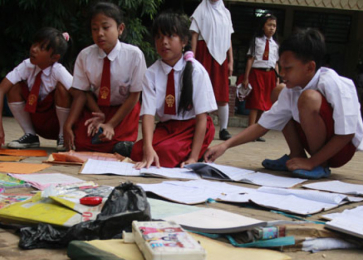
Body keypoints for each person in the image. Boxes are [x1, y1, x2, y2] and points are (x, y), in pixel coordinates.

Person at [204, 28, 363, 180]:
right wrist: (225, 146)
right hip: (319, 145)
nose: (282, 73)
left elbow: (346, 134)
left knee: (308, 98)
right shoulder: (292, 90)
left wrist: (312, 161)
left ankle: (320, 165)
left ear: (310, 67)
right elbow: (262, 126)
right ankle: (297, 155)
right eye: (281, 67)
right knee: (279, 90)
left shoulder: (334, 83)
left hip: (340, 151)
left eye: (288, 68)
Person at [131, 12, 217, 168]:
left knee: (166, 152)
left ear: (184, 41)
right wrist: (147, 148)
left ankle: (198, 153)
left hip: (192, 127)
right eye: (159, 37)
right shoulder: (151, 74)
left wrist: (193, 157)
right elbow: (148, 115)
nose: (164, 42)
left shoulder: (196, 71)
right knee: (139, 150)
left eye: (170, 36)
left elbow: (202, 118)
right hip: (167, 128)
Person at [62, 2, 146, 155]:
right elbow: (83, 92)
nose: (100, 33)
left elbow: (135, 95)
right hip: (96, 107)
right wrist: (97, 114)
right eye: (95, 29)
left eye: (106, 28)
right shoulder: (85, 56)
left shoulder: (134, 55)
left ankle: (124, 144)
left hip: (123, 109)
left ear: (120, 29)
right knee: (82, 142)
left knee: (113, 141)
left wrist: (111, 124)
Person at [0, 28, 72, 150]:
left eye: (42, 48)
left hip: (57, 123)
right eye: (34, 44)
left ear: (54, 58)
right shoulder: (27, 65)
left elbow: (79, 94)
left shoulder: (58, 70)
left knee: (62, 89)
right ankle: (30, 135)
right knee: (13, 88)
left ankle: (62, 137)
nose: (34, 49)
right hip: (36, 120)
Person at [190, 0, 234, 141]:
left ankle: (223, 129)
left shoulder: (226, 13)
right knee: (202, 91)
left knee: (222, 92)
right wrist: (193, 57)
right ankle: (201, 126)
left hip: (221, 57)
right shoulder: (201, 10)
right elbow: (195, 35)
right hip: (204, 53)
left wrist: (231, 60)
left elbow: (228, 38)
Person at [242, 13, 279, 142]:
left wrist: (277, 78)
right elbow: (250, 60)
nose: (272, 28)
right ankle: (249, 131)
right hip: (257, 73)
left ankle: (257, 133)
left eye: (274, 26)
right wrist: (246, 77)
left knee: (265, 104)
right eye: (269, 25)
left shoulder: (275, 45)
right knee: (256, 103)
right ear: (263, 26)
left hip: (270, 75)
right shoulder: (256, 41)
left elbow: (276, 63)